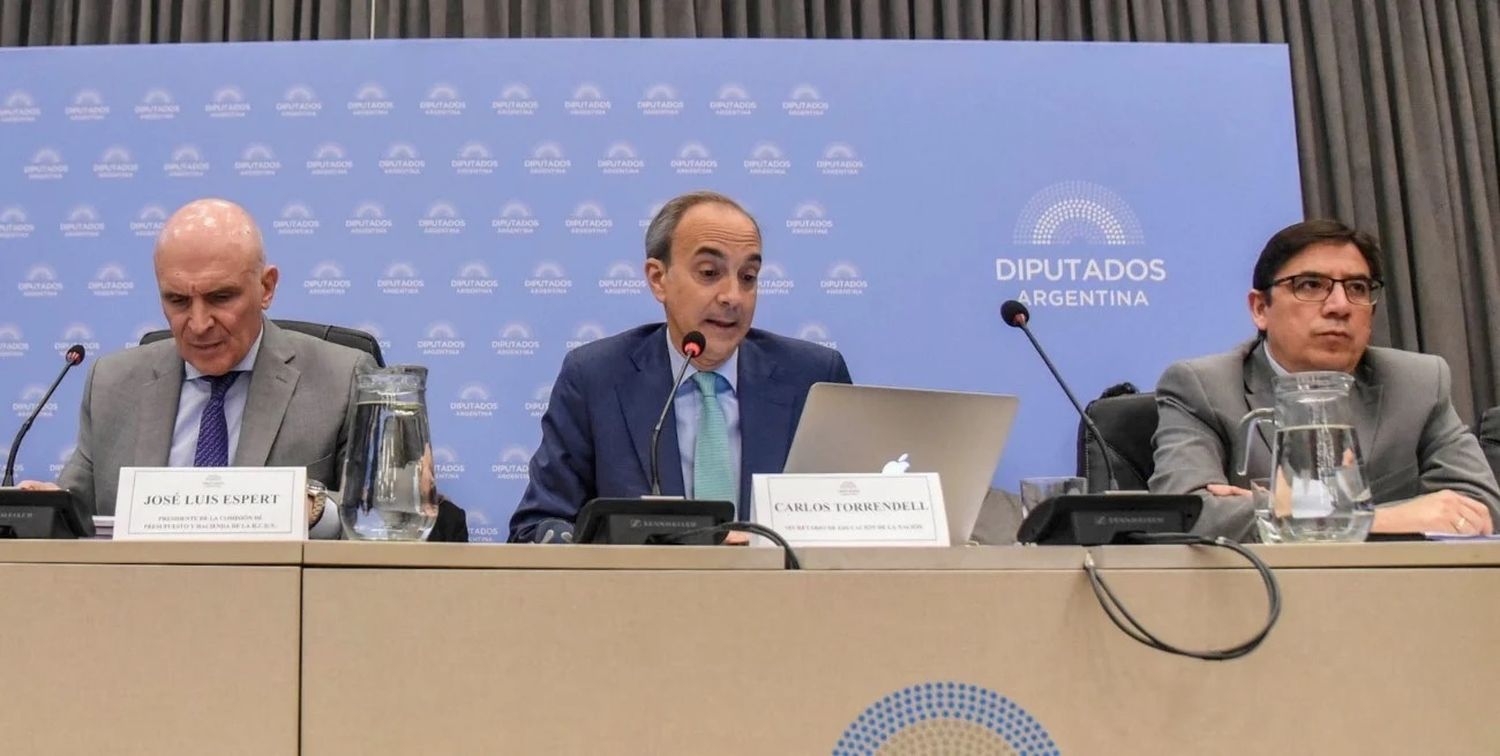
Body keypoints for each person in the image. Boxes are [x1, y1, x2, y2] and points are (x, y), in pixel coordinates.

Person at [509, 190, 853, 543]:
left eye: (748, 276)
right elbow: (538, 524)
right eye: (709, 272)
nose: (732, 296)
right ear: (658, 279)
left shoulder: (812, 378)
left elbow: (859, 517)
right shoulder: (596, 378)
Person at [20, 199, 372, 538]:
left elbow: (377, 515)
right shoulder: (113, 384)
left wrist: (311, 509)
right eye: (178, 301)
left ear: (266, 288)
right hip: (139, 592)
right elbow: (78, 510)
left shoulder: (342, 378)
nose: (199, 323)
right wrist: (44, 506)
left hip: (279, 592)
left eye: (220, 297)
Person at [1149, 219, 1500, 539]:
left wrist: (1285, 512)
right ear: (1260, 308)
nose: (1339, 305)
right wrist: (1370, 519)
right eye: (1311, 285)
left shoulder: (1418, 383)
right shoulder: (1203, 387)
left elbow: (1479, 507)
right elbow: (1185, 514)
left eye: (1357, 288)